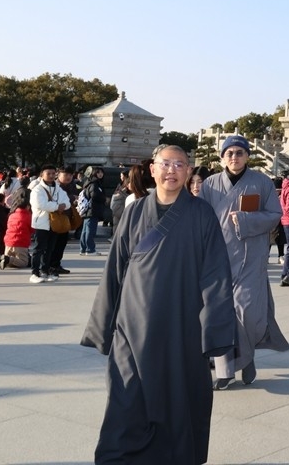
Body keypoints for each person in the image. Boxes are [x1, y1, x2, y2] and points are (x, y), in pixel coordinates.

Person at [82, 144, 237, 465]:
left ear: (189, 172)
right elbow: (115, 268)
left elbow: (216, 274)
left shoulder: (202, 214)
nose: (172, 170)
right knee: (126, 397)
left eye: (180, 165)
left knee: (176, 398)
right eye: (166, 164)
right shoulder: (134, 211)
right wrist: (103, 325)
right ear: (152, 169)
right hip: (132, 325)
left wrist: (215, 330)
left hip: (182, 324)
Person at [198, 134, 289, 390]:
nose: (234, 157)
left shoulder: (262, 182)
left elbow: (275, 214)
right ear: (222, 157)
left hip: (251, 257)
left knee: (247, 312)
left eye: (239, 152)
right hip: (217, 258)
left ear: (247, 156)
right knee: (220, 314)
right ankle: (225, 371)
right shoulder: (211, 184)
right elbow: (200, 216)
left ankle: (246, 357)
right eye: (229, 153)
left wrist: (247, 220)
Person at [28, 164, 70, 284]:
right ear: (42, 174)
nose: (51, 176)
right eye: (48, 173)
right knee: (39, 249)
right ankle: (34, 273)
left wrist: (61, 205)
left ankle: (45, 271)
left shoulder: (58, 189)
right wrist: (57, 206)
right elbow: (41, 204)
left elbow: (66, 202)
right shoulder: (37, 189)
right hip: (41, 223)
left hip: (54, 224)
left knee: (49, 249)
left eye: (53, 173)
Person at [80, 166, 107, 255]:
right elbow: (95, 195)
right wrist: (104, 198)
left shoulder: (90, 182)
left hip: (88, 210)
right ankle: (90, 249)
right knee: (90, 231)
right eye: (98, 172)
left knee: (85, 230)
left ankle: (83, 249)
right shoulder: (94, 183)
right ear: (94, 173)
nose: (100, 174)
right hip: (92, 210)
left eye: (101, 172)